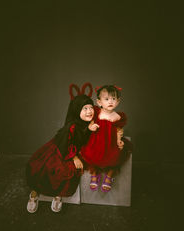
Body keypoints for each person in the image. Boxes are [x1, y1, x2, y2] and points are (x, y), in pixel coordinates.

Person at [26, 83, 98, 213]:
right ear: (77, 111)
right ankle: (35, 193)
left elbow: (82, 138)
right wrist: (74, 157)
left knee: (67, 172)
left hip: (72, 149)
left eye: (90, 107)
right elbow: (65, 144)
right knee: (53, 169)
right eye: (85, 108)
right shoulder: (71, 126)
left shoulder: (86, 123)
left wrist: (89, 129)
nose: (89, 111)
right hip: (61, 150)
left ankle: (57, 194)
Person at [80, 84, 132, 192]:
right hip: (96, 141)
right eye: (106, 99)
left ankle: (109, 175)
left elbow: (118, 131)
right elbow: (90, 123)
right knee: (89, 153)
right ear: (99, 102)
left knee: (116, 156)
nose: (110, 102)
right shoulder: (97, 113)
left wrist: (119, 141)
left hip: (110, 143)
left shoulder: (117, 116)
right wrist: (91, 127)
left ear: (118, 101)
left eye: (113, 98)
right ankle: (94, 173)